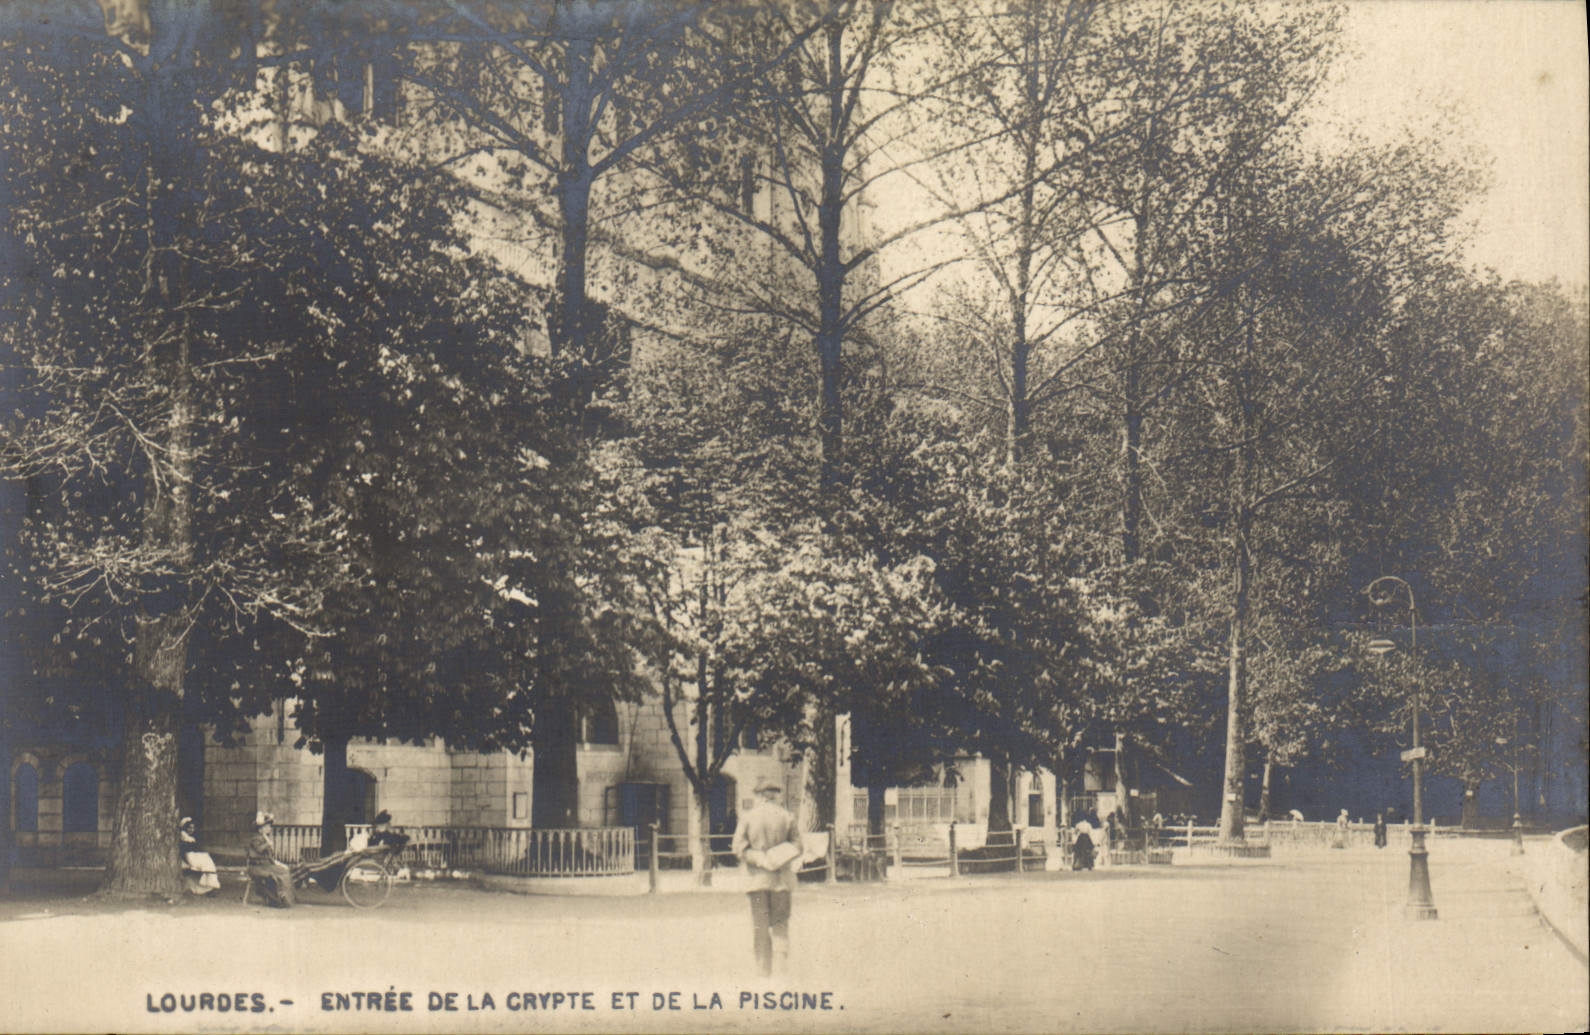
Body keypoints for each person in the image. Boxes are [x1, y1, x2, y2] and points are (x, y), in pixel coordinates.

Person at [732, 777, 802, 977]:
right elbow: (798, 846)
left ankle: (763, 972)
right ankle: (781, 970)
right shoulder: (787, 817)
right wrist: (778, 857)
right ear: (775, 795)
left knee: (760, 927)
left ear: (759, 796)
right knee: (780, 924)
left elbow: (738, 848)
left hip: (757, 881)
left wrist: (759, 858)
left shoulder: (748, 817)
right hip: (781, 880)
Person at [246, 811, 295, 908]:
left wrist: (277, 863)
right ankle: (279, 897)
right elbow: (259, 850)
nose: (270, 828)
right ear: (261, 829)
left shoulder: (264, 838)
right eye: (267, 826)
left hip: (266, 866)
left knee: (285, 871)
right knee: (282, 873)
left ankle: (283, 897)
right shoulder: (256, 838)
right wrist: (267, 844)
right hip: (257, 867)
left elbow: (269, 856)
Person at [179, 817, 220, 896]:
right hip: (188, 858)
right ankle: (208, 886)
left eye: (193, 828)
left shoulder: (191, 838)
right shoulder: (184, 837)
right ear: (185, 828)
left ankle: (209, 886)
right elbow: (185, 851)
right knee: (207, 864)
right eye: (189, 828)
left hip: (193, 856)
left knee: (208, 863)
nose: (191, 830)